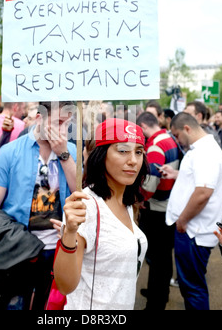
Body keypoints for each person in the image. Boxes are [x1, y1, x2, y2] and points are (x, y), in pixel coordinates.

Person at [0, 101, 77, 310]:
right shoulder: (10, 152)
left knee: (47, 305)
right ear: (39, 119)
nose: (62, 130)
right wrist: (13, 235)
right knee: (12, 304)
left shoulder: (71, 151)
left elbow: (78, 192)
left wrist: (63, 154)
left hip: (56, 248)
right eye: (58, 122)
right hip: (17, 248)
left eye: (67, 124)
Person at [53, 118, 148, 310]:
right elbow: (65, 285)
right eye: (122, 150)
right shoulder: (85, 205)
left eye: (138, 152)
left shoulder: (127, 202)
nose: (133, 160)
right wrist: (69, 233)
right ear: (101, 155)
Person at [164, 112, 222, 310]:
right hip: (193, 230)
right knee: (191, 286)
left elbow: (203, 193)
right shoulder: (201, 149)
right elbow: (199, 181)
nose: (176, 140)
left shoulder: (205, 151)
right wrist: (177, 174)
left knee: (193, 288)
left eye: (176, 135)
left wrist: (182, 220)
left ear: (187, 129)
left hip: (194, 231)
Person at [136, 111, 179, 310]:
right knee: (163, 257)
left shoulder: (154, 146)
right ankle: (160, 293)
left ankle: (156, 301)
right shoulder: (169, 138)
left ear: (144, 126)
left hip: (156, 208)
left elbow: (151, 182)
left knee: (157, 258)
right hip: (168, 205)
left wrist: (139, 199)